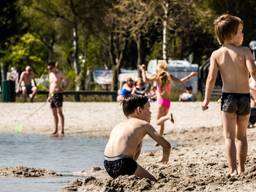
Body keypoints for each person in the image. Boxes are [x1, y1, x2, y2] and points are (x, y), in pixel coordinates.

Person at [201, 14, 256, 176]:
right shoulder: (245, 51)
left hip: (228, 98)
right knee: (242, 136)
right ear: (231, 34)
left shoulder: (217, 54)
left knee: (229, 137)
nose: (243, 35)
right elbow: (253, 72)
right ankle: (242, 169)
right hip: (245, 97)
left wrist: (205, 100)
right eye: (241, 31)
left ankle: (232, 170)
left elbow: (210, 79)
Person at [104, 95, 171, 181]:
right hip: (124, 163)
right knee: (153, 181)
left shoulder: (118, 126)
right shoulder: (144, 124)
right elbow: (166, 145)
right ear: (139, 110)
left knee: (138, 143)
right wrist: (164, 160)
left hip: (107, 164)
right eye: (148, 109)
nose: (151, 113)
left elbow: (133, 148)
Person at [139, 62, 197, 136]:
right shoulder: (169, 76)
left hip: (161, 102)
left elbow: (145, 80)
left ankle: (168, 116)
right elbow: (181, 81)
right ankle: (160, 138)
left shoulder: (157, 77)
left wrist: (143, 70)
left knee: (158, 122)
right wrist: (191, 75)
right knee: (162, 122)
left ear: (158, 68)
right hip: (167, 102)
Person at [47, 62, 66, 136]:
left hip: (58, 94)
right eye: (48, 68)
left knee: (59, 112)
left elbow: (67, 80)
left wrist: (63, 88)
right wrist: (49, 96)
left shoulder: (59, 73)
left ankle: (62, 129)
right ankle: (55, 129)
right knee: (54, 113)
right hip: (51, 95)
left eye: (50, 68)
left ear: (54, 67)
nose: (49, 69)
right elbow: (51, 85)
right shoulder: (50, 74)